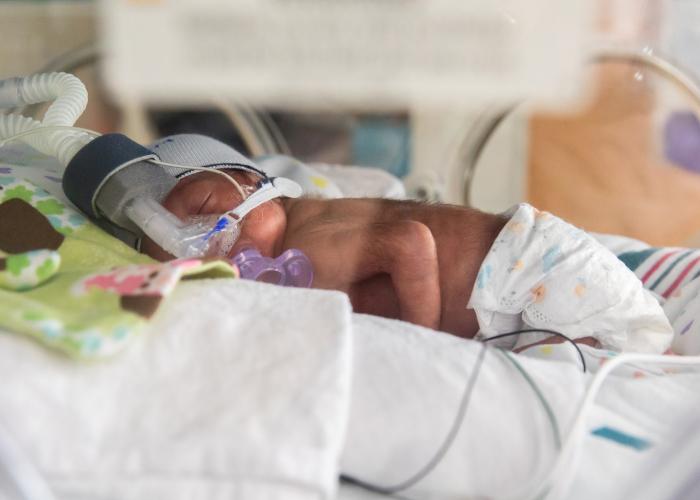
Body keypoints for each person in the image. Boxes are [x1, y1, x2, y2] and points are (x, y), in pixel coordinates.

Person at [142, 162, 674, 354]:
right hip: (520, 310)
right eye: (183, 247)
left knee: (617, 344)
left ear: (262, 187)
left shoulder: (312, 229)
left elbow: (411, 243)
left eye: (206, 210)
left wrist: (422, 345)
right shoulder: (286, 271)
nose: (209, 239)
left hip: (536, 272)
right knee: (599, 363)